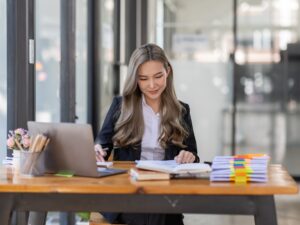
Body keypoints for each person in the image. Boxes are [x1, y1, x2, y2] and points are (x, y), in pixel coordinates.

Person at [94, 43, 199, 225]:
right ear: (135, 79)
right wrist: (98, 151)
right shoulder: (121, 106)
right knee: (151, 212)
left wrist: (188, 156)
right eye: (143, 79)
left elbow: (194, 156)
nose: (152, 85)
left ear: (168, 71)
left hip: (165, 192)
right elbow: (102, 144)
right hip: (130, 191)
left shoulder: (181, 111)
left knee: (155, 210)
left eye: (158, 76)